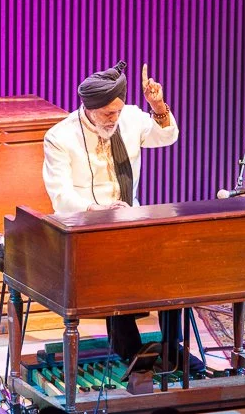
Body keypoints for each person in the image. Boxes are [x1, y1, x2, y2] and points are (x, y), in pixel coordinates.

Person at [43, 61, 204, 372]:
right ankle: (129, 350)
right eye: (107, 114)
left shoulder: (129, 118)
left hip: (129, 220)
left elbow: (166, 136)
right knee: (113, 263)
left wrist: (157, 106)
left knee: (173, 263)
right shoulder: (60, 137)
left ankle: (173, 348)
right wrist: (97, 210)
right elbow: (61, 196)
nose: (113, 119)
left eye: (117, 111)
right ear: (88, 108)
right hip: (83, 228)